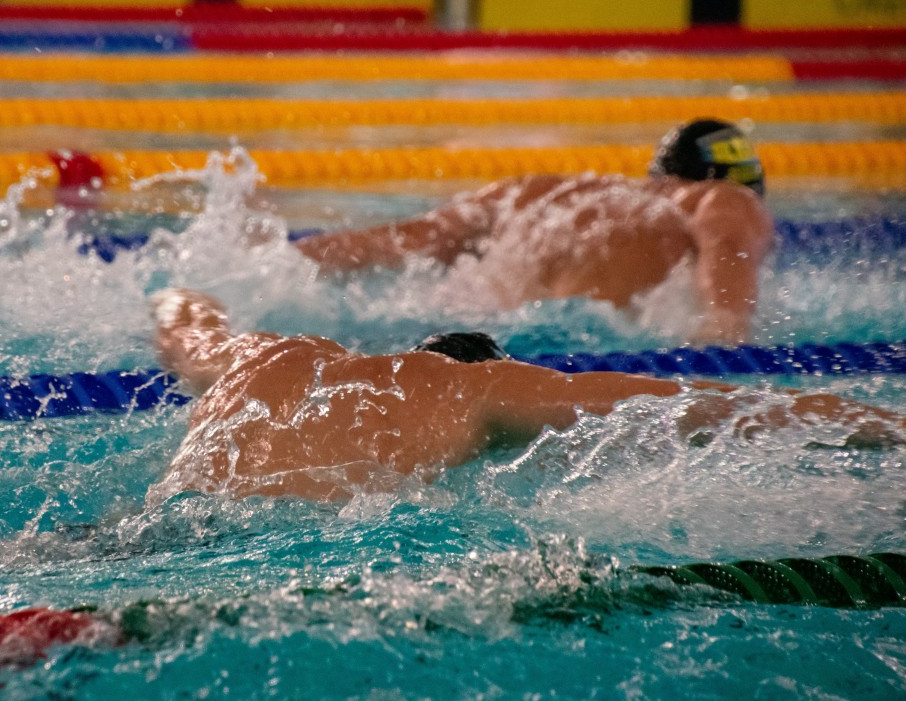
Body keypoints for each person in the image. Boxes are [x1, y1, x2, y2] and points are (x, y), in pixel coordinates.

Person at [147, 288, 904, 504]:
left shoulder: (273, 352)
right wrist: (887, 422)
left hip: (144, 532)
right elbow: (698, 402)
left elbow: (182, 324)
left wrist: (184, 293)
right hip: (275, 559)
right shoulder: (475, 387)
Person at [293, 119, 774, 345]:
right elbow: (727, 245)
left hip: (461, 334)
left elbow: (408, 238)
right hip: (580, 351)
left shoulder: (540, 193)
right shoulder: (720, 197)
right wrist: (725, 335)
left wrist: (278, 262)